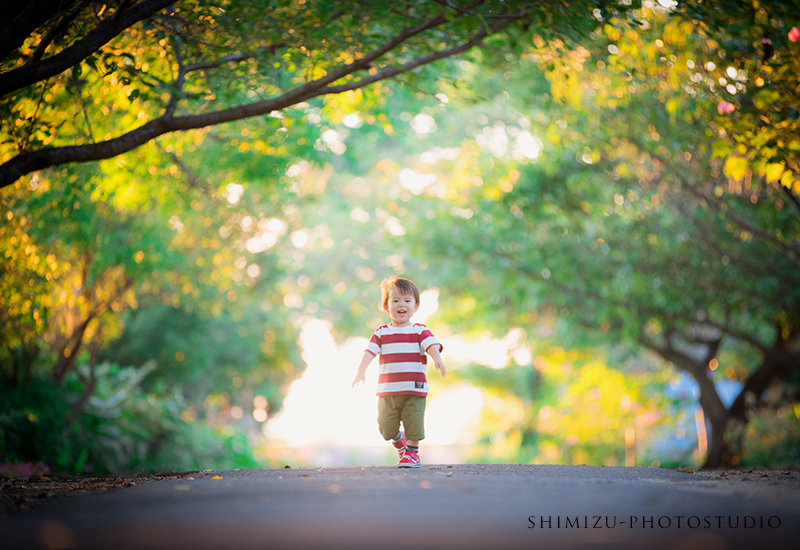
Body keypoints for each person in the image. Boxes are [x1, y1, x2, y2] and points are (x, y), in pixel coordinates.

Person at [352, 276, 445, 468]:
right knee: (386, 427)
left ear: (416, 306)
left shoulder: (419, 330)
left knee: (414, 424)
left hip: (414, 390)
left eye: (407, 301)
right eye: (395, 301)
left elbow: (431, 344)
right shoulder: (381, 333)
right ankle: (398, 440)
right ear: (387, 307)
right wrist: (361, 371)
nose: (401, 304)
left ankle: (412, 454)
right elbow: (369, 352)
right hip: (387, 391)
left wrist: (437, 357)